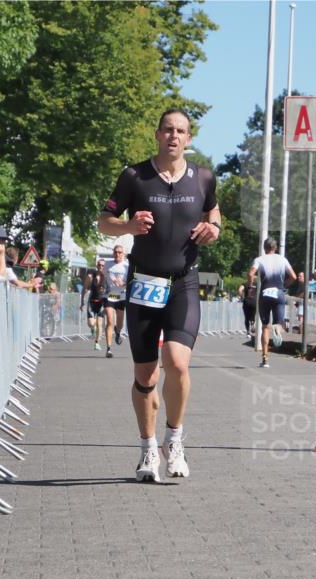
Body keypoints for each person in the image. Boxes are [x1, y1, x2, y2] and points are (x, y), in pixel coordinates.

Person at [97, 108, 221, 482]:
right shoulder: (135, 176)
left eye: (180, 131)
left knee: (178, 363)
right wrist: (128, 225)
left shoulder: (203, 177)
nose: (173, 136)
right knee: (146, 374)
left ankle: (174, 440)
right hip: (144, 283)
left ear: (189, 138)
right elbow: (104, 222)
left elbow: (214, 212)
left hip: (184, 282)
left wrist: (214, 229)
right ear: (157, 134)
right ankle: (148, 448)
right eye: (168, 129)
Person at [248, 236, 296, 368]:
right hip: (279, 292)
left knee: (265, 326)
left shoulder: (259, 260)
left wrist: (251, 287)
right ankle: (277, 329)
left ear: (264, 248)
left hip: (265, 293)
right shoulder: (282, 259)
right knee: (277, 323)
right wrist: (284, 286)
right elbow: (293, 276)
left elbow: (251, 274)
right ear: (275, 248)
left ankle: (265, 358)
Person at [102, 245, 129, 358]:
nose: (117, 254)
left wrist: (123, 284)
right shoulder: (107, 264)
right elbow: (104, 276)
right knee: (110, 320)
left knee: (120, 323)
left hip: (121, 296)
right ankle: (109, 348)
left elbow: (132, 280)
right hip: (109, 296)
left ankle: (117, 332)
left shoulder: (127, 266)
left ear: (123, 254)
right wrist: (102, 286)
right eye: (115, 252)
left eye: (120, 252)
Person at [81, 270, 105, 349]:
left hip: (101, 303)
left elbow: (110, 290)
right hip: (92, 302)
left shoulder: (106, 277)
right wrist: (82, 302)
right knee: (91, 323)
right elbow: (84, 288)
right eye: (99, 265)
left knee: (99, 324)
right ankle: (92, 328)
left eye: (102, 265)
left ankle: (97, 343)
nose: (100, 267)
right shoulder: (91, 277)